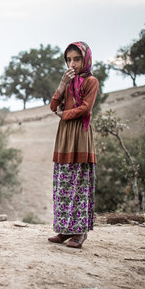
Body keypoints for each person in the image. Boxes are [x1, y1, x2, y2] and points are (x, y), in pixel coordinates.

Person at [47, 41, 98, 249]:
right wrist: (61, 84)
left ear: (85, 59)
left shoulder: (91, 81)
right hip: (65, 134)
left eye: (76, 59)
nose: (72, 64)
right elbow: (53, 105)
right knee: (64, 183)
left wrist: (64, 115)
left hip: (80, 134)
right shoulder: (68, 81)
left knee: (79, 182)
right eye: (68, 60)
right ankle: (64, 229)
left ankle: (80, 232)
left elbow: (86, 109)